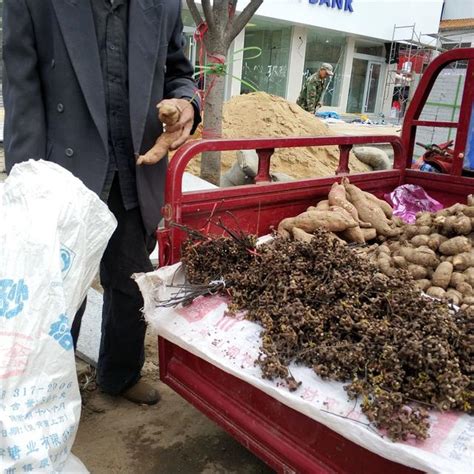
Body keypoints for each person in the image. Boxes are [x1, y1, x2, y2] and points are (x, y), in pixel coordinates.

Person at [3, 0, 200, 405]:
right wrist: (26, 183)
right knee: (59, 292)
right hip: (62, 170)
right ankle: (48, 394)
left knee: (131, 283)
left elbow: (179, 73)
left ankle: (119, 375)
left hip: (135, 167)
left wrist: (187, 105)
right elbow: (21, 88)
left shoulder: (161, 5)